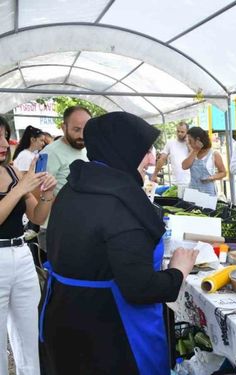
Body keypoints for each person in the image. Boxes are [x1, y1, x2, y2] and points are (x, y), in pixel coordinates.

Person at [41, 112, 199, 375]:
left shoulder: (74, 187)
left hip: (62, 318)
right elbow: (140, 288)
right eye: (145, 150)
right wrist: (179, 270)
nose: (151, 158)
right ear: (123, 149)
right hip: (108, 333)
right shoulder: (120, 204)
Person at [0, 115, 56, 375]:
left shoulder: (12, 171)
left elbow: (37, 217)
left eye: (4, 135)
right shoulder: (17, 178)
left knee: (27, 334)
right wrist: (20, 187)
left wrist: (45, 194)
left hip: (21, 254)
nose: (3, 143)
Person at [37, 106, 91, 251]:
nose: (82, 135)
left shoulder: (86, 149)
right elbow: (36, 193)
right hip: (56, 230)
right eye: (76, 129)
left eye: (85, 129)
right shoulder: (50, 153)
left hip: (80, 228)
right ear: (63, 127)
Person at [182, 127, 226, 198]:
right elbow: (184, 166)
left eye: (190, 141)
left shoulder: (214, 154)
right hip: (192, 191)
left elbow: (223, 173)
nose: (188, 143)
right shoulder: (193, 153)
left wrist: (212, 177)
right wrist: (195, 150)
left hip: (208, 193)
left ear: (198, 140)